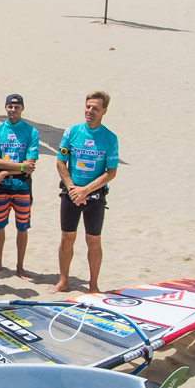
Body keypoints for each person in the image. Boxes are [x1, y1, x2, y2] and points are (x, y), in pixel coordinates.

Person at [52, 91, 119, 294]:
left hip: (95, 197)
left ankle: (93, 285)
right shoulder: (72, 132)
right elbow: (61, 162)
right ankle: (63, 281)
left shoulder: (110, 138)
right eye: (88, 106)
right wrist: (72, 188)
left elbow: (111, 172)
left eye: (96, 108)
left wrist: (86, 190)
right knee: (67, 237)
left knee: (93, 240)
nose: (90, 111)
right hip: (71, 193)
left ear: (104, 111)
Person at [0, 94, 39, 279]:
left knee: (22, 228)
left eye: (16, 107)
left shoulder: (31, 132)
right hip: (1, 188)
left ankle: (20, 266)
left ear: (22, 108)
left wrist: (4, 171)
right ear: (5, 107)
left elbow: (31, 165)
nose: (13, 110)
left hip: (22, 187)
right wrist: (19, 167)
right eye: (10, 106)